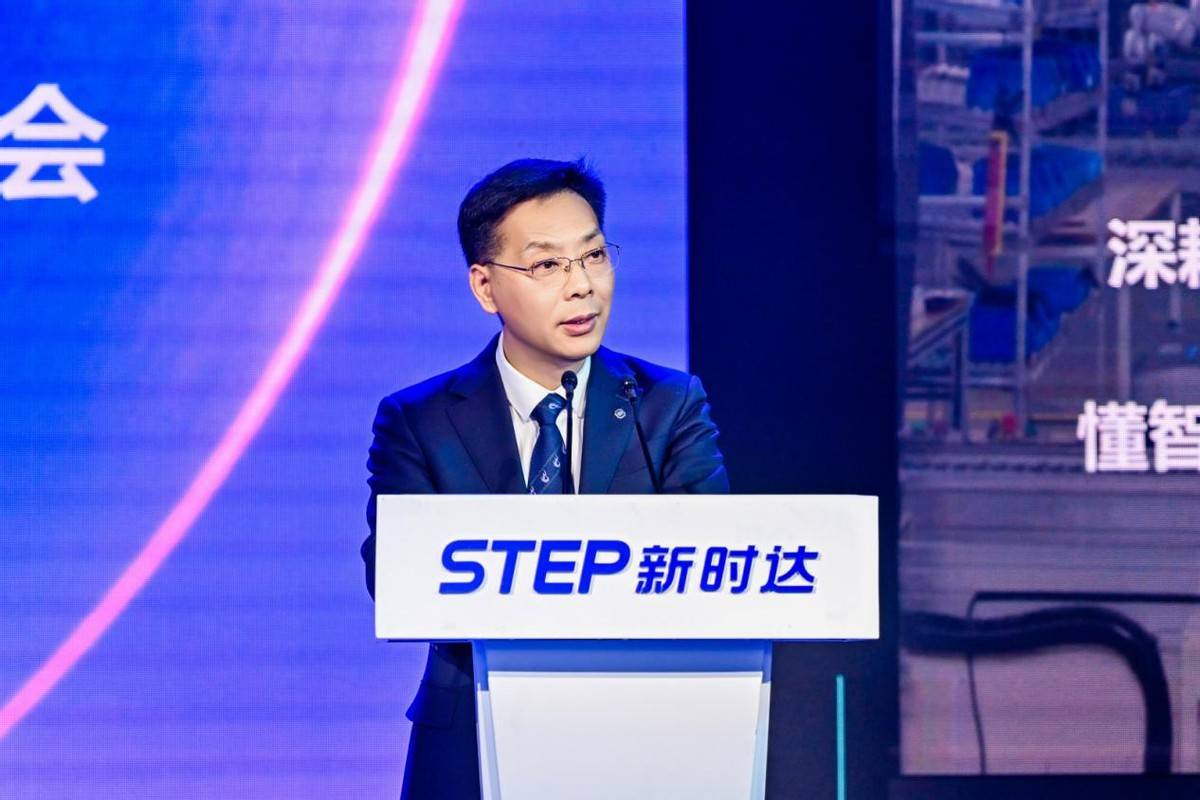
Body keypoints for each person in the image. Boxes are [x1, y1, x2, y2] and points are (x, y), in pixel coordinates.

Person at [362, 158, 729, 799]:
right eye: (546, 266)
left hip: (640, 735)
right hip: (471, 739)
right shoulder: (419, 421)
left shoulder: (667, 407)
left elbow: (713, 567)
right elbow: (396, 578)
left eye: (593, 257)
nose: (581, 286)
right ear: (485, 286)